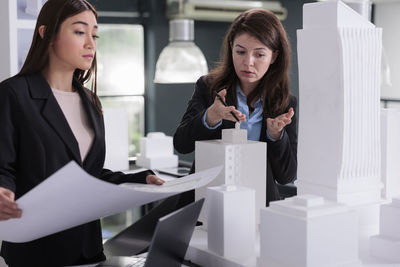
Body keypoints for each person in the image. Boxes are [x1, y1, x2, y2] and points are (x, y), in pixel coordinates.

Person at [0, 0, 164, 266]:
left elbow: (86, 177)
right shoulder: (14, 94)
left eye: (94, 34)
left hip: (88, 250)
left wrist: (138, 179)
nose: (91, 43)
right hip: (37, 252)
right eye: (79, 32)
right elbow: (3, 168)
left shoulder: (90, 101)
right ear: (47, 34)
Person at [173, 9, 297, 206]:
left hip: (257, 204)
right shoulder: (209, 87)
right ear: (231, 48)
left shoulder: (285, 103)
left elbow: (286, 175)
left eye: (259, 54)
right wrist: (210, 117)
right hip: (207, 200)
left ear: (274, 56)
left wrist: (276, 136)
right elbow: (181, 144)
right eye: (240, 51)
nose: (248, 62)